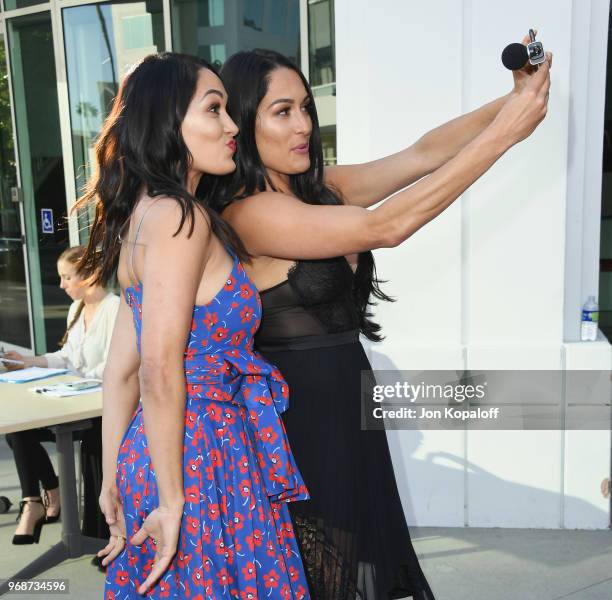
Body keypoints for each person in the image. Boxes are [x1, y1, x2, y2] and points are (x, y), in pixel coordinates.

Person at [202, 40, 552, 599]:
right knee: (329, 575)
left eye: (307, 109)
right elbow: (385, 227)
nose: (303, 127)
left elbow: (421, 154)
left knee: (364, 565)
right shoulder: (251, 213)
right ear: (245, 124)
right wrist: (505, 134)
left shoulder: (320, 189)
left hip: (348, 403)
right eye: (282, 111)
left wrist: (511, 100)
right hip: (300, 422)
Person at [75, 52, 311, 598]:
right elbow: (156, 367)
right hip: (202, 458)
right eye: (214, 110)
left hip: (161, 456)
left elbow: (119, 372)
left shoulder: (141, 215)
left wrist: (114, 475)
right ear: (168, 122)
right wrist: (173, 499)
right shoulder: (183, 218)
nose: (232, 126)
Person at [3, 245, 119, 545]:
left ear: (91, 274)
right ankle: (40, 496)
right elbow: (66, 356)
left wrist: (73, 382)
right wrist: (28, 361)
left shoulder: (114, 309)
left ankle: (93, 534)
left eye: (67, 277)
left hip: (102, 411)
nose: (62, 285)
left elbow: (115, 368)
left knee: (84, 441)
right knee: (19, 431)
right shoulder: (76, 309)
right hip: (75, 403)